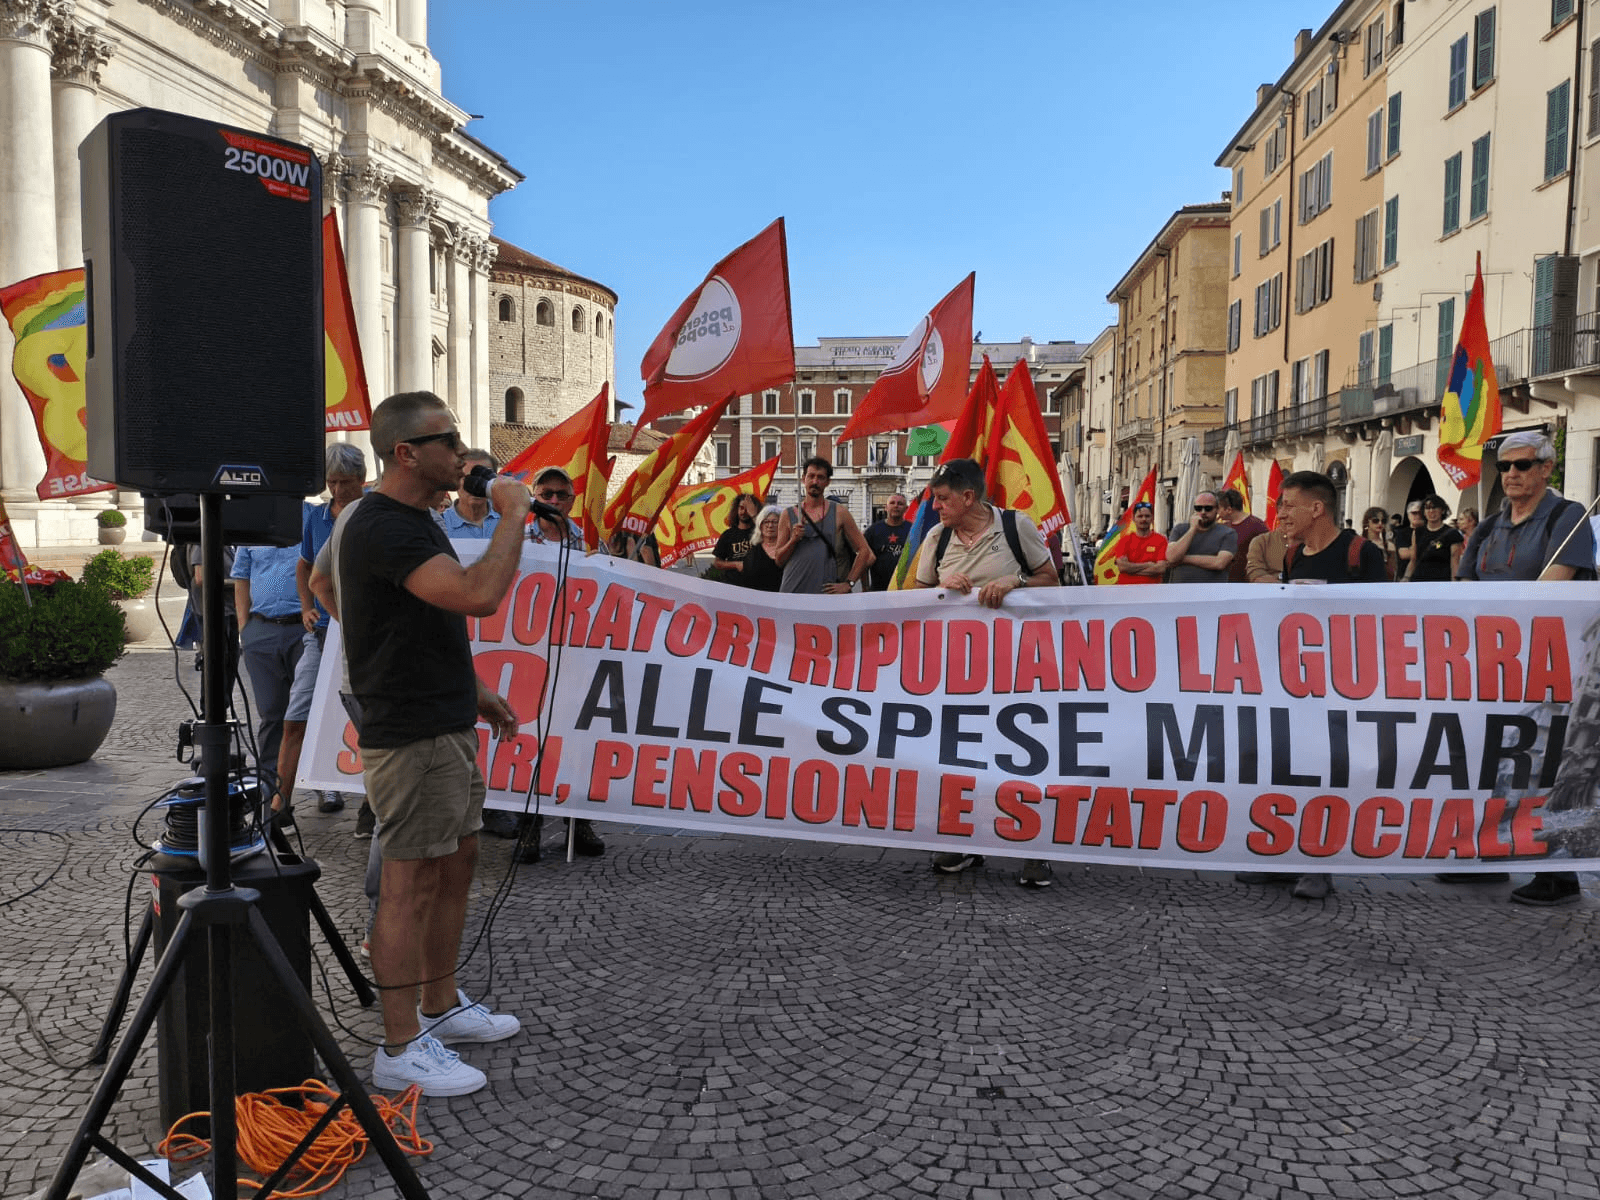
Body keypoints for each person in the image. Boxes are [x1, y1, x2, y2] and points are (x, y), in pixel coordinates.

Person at [323, 391, 527, 1097]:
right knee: (408, 885)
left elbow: (345, 590)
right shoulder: (384, 525)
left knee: (456, 863)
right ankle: (400, 1044)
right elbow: (477, 595)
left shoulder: (407, 519)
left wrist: (469, 688)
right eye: (448, 440)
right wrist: (514, 516)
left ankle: (441, 1004)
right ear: (407, 453)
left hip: (444, 717)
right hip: (410, 731)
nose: (463, 453)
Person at [1457, 430, 1596, 905]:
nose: (1511, 474)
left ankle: (1558, 873)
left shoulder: (1567, 515)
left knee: (1548, 763)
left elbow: (1555, 584)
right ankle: (1491, 854)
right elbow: (1463, 587)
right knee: (1494, 759)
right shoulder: (1490, 524)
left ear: (1545, 469)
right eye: (1504, 467)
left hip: (1552, 664)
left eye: (1522, 465)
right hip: (1493, 663)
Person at [911, 458, 1059, 888]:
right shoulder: (937, 538)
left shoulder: (1016, 527)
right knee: (960, 757)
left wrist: (1017, 583)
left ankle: (1034, 852)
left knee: (1026, 758)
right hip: (957, 673)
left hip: (1018, 671)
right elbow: (916, 597)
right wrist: (943, 589)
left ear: (968, 497)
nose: (935, 507)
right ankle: (961, 840)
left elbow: (1052, 578)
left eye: (941, 499)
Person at [1245, 470, 1388, 901]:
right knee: (1288, 769)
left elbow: (1382, 617)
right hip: (1298, 683)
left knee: (1328, 776)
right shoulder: (1291, 558)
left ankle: (1317, 865)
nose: (1280, 513)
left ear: (1316, 508)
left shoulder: (1362, 553)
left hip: (1345, 685)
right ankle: (1282, 856)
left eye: (1287, 505)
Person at [516, 464, 605, 860]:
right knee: (528, 739)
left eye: (560, 495)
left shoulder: (588, 544)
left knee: (576, 738)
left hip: (575, 655)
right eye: (545, 494)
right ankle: (529, 826)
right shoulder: (515, 539)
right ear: (534, 497)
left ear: (572, 501)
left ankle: (577, 821)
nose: (553, 501)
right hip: (527, 654)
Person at [275, 443, 366, 825]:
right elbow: (306, 566)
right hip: (325, 632)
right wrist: (306, 605)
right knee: (295, 716)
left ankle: (373, 804)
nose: (338, 489)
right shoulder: (317, 517)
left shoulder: (376, 511)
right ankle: (279, 803)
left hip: (366, 634)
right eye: (331, 481)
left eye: (345, 482)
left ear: (362, 479)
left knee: (370, 723)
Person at [232, 533, 309, 805]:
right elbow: (241, 577)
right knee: (271, 714)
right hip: (261, 631)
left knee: (308, 714)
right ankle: (267, 790)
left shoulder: (310, 520)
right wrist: (245, 627)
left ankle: (323, 785)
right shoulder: (253, 529)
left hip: (304, 629)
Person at [774, 457, 873, 594]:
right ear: (803, 479)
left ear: (827, 482)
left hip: (826, 594)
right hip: (793, 591)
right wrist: (793, 540)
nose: (815, 482)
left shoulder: (840, 512)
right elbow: (779, 560)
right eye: (811, 476)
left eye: (820, 477)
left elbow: (864, 550)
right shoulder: (788, 514)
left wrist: (849, 583)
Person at [1164, 491, 1237, 583]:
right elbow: (1171, 557)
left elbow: (1219, 563)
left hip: (1212, 592)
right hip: (1181, 591)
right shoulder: (1180, 529)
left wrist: (1182, 559)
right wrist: (1192, 529)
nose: (1203, 512)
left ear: (1217, 509)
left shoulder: (1228, 533)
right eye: (1198, 508)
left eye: (1208, 508)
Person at [438, 448, 501, 540]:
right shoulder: (438, 526)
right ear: (456, 480)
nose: (476, 485)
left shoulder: (509, 522)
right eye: (468, 478)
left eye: (483, 477)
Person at [1216, 488, 1268, 584]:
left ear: (1229, 510)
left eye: (1218, 508)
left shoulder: (1256, 526)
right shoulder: (1223, 527)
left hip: (1247, 585)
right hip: (1226, 584)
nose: (1216, 512)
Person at [863, 493, 911, 591]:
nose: (896, 506)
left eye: (900, 503)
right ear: (886, 507)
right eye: (892, 503)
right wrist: (865, 587)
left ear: (906, 508)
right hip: (879, 590)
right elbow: (863, 561)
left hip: (906, 589)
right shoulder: (872, 531)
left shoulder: (913, 531)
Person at [1408, 495, 1463, 583]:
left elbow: (1455, 562)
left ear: (1442, 510)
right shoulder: (1418, 532)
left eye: (1435, 507)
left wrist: (1455, 584)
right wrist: (1406, 578)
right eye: (1427, 508)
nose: (1431, 511)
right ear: (1424, 512)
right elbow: (1413, 560)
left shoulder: (1452, 533)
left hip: (1441, 582)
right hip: (1419, 581)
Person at [1113, 501, 1167, 584]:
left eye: (1147, 516)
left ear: (1152, 518)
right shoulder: (1124, 540)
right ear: (1134, 519)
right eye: (1140, 516)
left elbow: (1161, 568)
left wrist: (1130, 569)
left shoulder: (1161, 540)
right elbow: (1122, 567)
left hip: (1152, 591)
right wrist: (1148, 565)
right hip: (1126, 590)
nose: (1144, 519)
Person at [711, 494, 759, 582]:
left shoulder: (759, 533)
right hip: (734, 587)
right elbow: (717, 563)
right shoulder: (728, 535)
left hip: (757, 586)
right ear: (736, 510)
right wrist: (736, 564)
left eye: (747, 509)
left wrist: (754, 516)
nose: (744, 512)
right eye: (741, 508)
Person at [741, 505, 784, 592]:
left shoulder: (789, 548)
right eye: (766, 522)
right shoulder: (752, 553)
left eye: (775, 522)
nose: (770, 525)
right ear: (760, 525)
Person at [1359, 507, 1397, 581]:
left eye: (1383, 521)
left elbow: (1392, 572)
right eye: (1375, 520)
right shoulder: (1359, 543)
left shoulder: (1390, 546)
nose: (1380, 523)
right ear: (1367, 522)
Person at [1394, 500, 1424, 580]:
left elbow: (1440, 545)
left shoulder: (1431, 531)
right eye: (1414, 513)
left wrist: (1412, 548)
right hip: (1407, 578)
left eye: (1420, 513)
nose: (1417, 515)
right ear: (1408, 515)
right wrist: (1428, 549)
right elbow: (1404, 554)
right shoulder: (1402, 533)